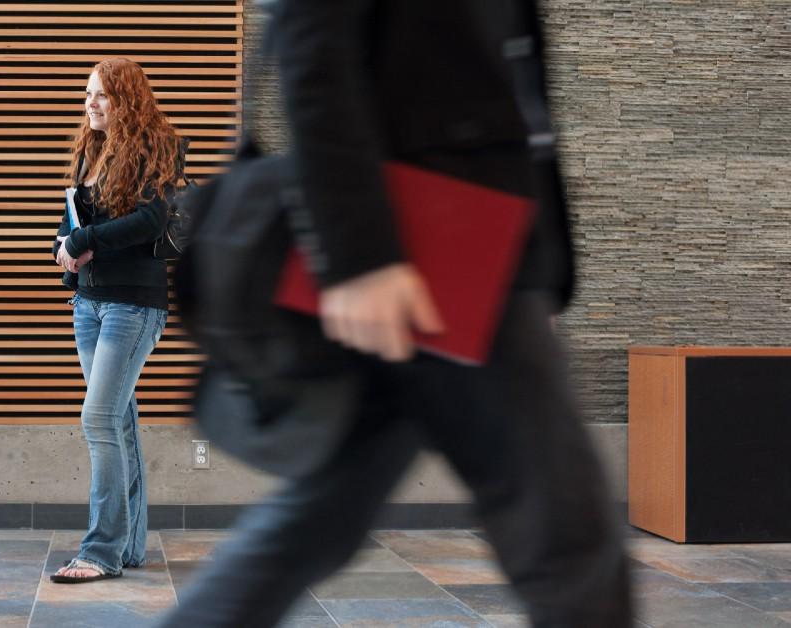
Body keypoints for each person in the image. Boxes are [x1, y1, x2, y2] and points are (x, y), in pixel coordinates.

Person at [159, 1, 634, 626]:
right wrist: (361, 259)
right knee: (569, 538)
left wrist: (537, 270)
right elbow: (313, 47)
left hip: (473, 245)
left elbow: (518, 86)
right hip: (436, 244)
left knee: (316, 519)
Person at [48, 58, 181, 584]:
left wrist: (83, 243)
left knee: (98, 419)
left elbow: (151, 219)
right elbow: (74, 216)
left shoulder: (159, 146)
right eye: (87, 94)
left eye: (102, 95)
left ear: (127, 98)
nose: (91, 104)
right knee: (119, 423)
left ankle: (100, 552)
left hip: (133, 302)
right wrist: (63, 245)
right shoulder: (92, 151)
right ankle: (128, 547)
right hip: (89, 303)